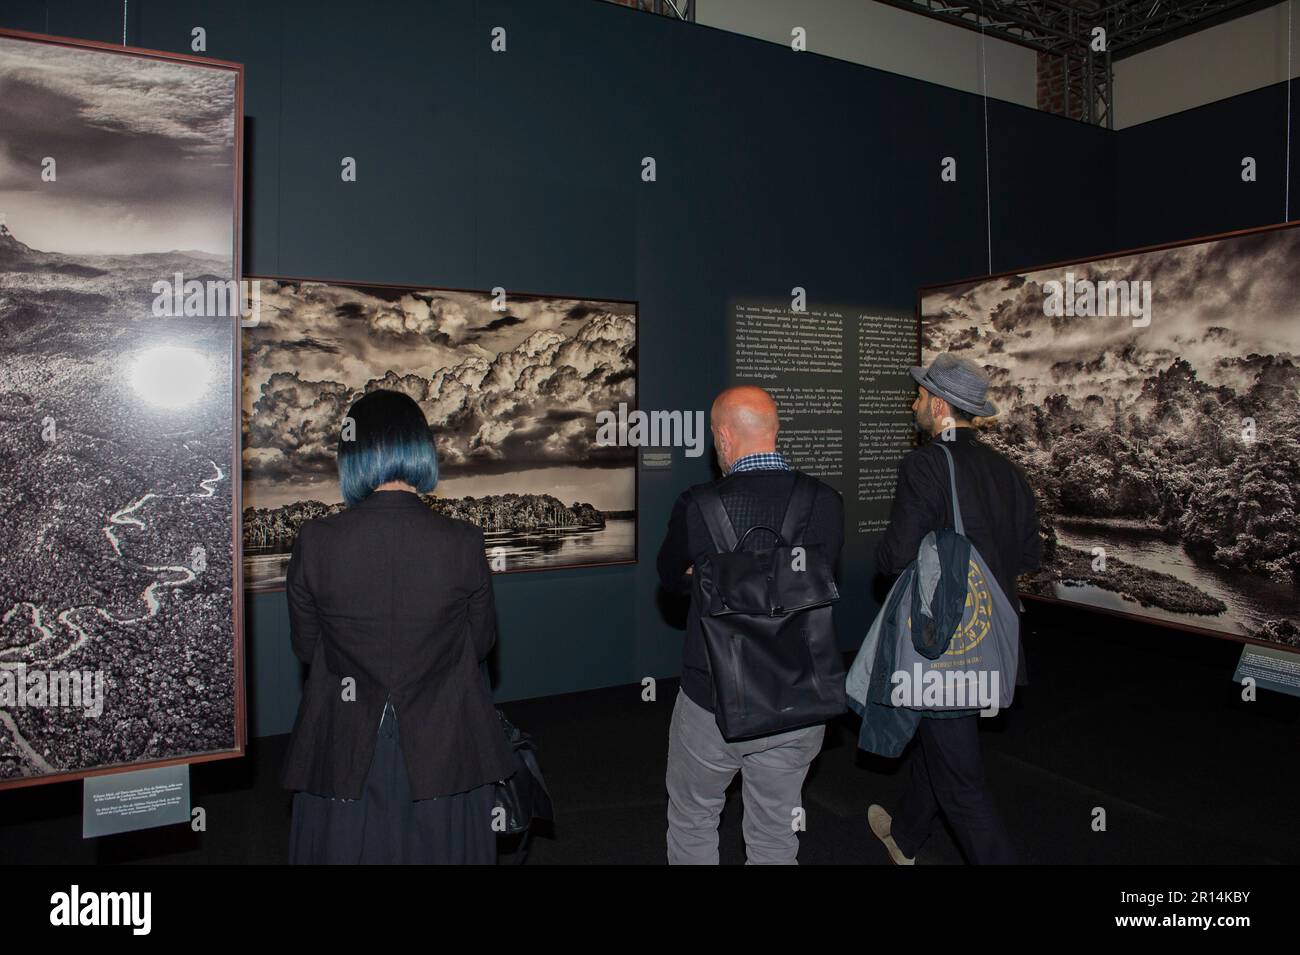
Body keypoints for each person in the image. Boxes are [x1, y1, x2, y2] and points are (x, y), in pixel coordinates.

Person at [281, 389, 514, 864]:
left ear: (353, 455)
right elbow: (480, 644)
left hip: (345, 747)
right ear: (420, 450)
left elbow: (308, 649)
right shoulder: (463, 541)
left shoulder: (316, 541)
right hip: (444, 749)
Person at [657, 385, 844, 864]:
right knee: (776, 830)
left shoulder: (697, 504)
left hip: (713, 699)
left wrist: (708, 575)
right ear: (774, 430)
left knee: (695, 816)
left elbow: (671, 581)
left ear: (722, 436)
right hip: (798, 696)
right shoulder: (827, 502)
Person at [867, 352, 1041, 865]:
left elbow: (894, 556)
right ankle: (906, 836)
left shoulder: (925, 464)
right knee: (944, 741)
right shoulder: (1009, 472)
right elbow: (1029, 556)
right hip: (993, 639)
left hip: (946, 644)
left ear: (939, 406)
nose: (914, 403)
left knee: (963, 785)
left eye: (920, 396)